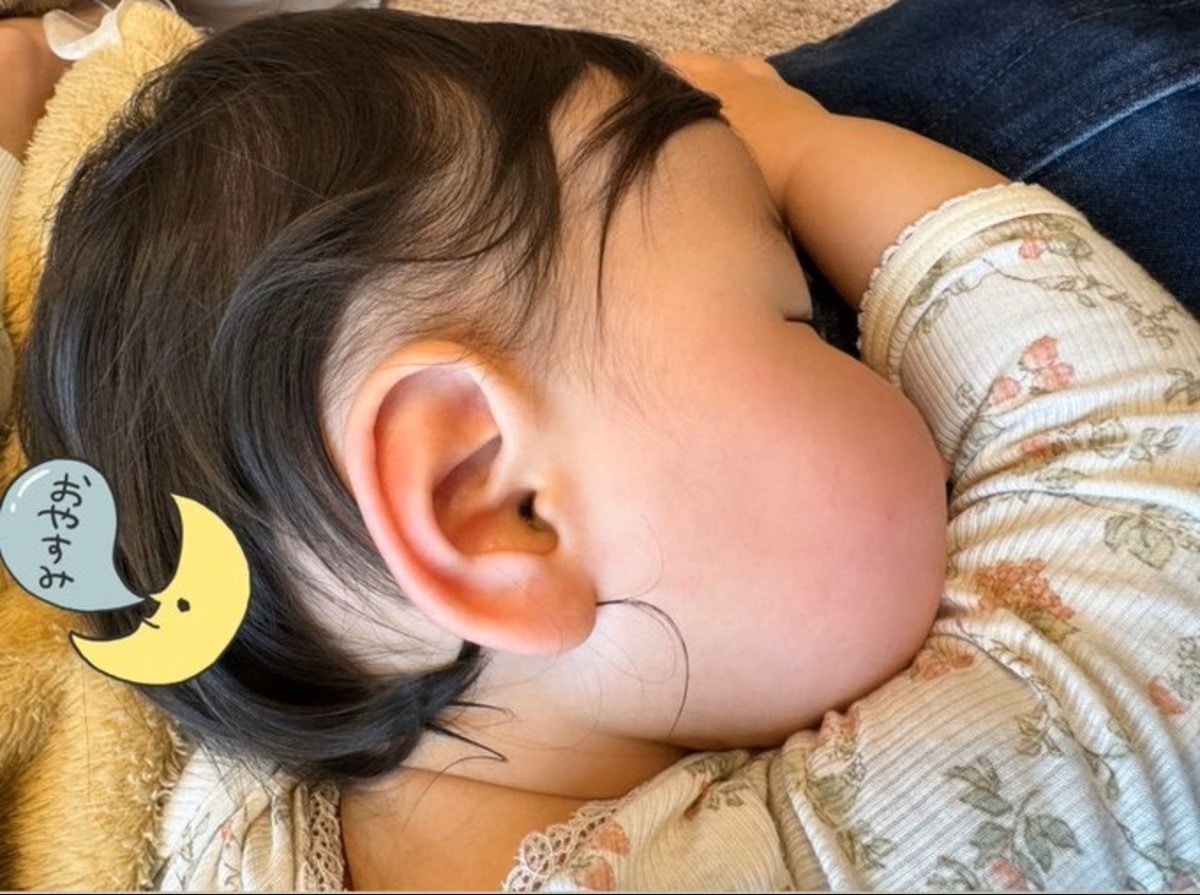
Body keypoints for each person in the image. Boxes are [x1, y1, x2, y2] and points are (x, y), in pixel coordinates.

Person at [5, 1, 1199, 890]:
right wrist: (801, 144)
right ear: (499, 503)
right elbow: (1132, 489)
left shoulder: (234, 816)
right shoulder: (836, 855)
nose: (871, 353)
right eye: (799, 315)